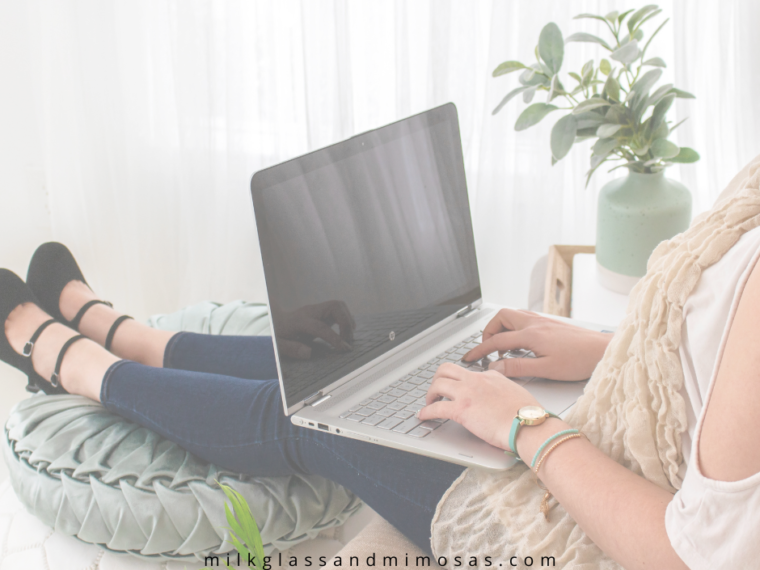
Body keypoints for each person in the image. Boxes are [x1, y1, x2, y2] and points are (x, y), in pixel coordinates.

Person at [2, 159, 760, 570]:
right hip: (619, 437)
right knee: (363, 356)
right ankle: (131, 336)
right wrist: (603, 350)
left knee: (313, 414)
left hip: (575, 538)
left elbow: (694, 556)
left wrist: (523, 425)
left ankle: (77, 366)